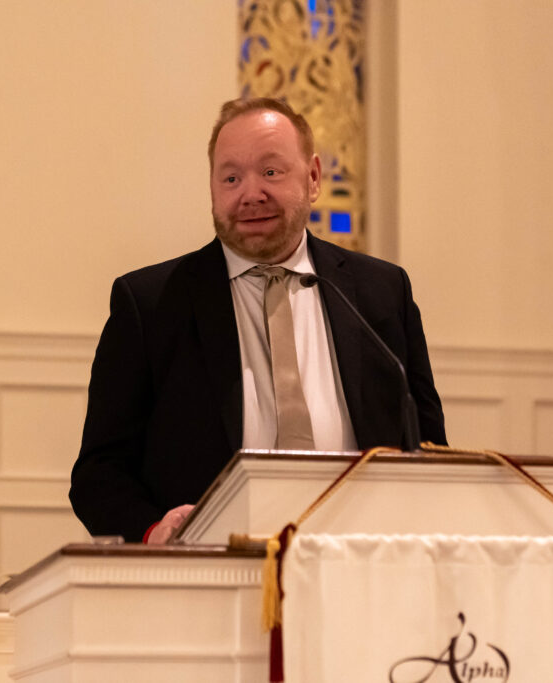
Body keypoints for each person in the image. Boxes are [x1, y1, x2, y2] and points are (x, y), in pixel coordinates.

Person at [70, 97, 446, 544]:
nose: (251, 194)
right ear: (212, 189)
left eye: (271, 172)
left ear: (312, 178)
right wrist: (154, 531)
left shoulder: (381, 293)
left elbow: (430, 453)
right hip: (209, 576)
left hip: (362, 564)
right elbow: (98, 474)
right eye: (231, 178)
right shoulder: (150, 304)